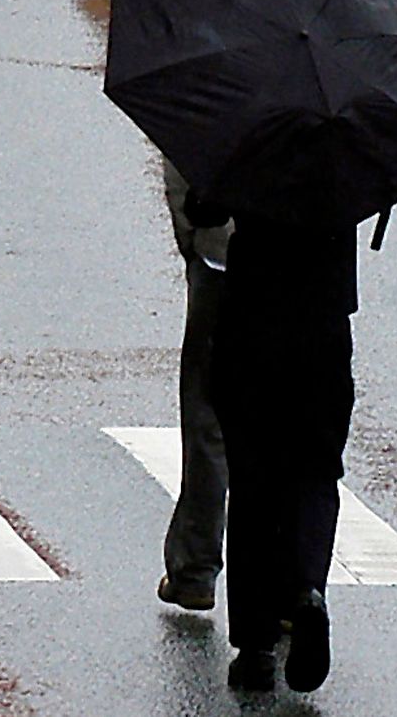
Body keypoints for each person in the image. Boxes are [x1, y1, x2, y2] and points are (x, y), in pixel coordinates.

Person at [190, 0, 358, 695]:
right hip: (325, 316)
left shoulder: (240, 73)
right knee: (316, 466)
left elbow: (205, 204)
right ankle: (309, 590)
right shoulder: (353, 72)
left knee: (254, 474)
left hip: (253, 308)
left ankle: (255, 645)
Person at [156, 159, 232, 612]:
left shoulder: (213, 111)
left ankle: (196, 567)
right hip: (304, 274)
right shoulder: (334, 115)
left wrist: (195, 243)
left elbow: (180, 170)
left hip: (222, 259)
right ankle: (290, 586)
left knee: (208, 417)